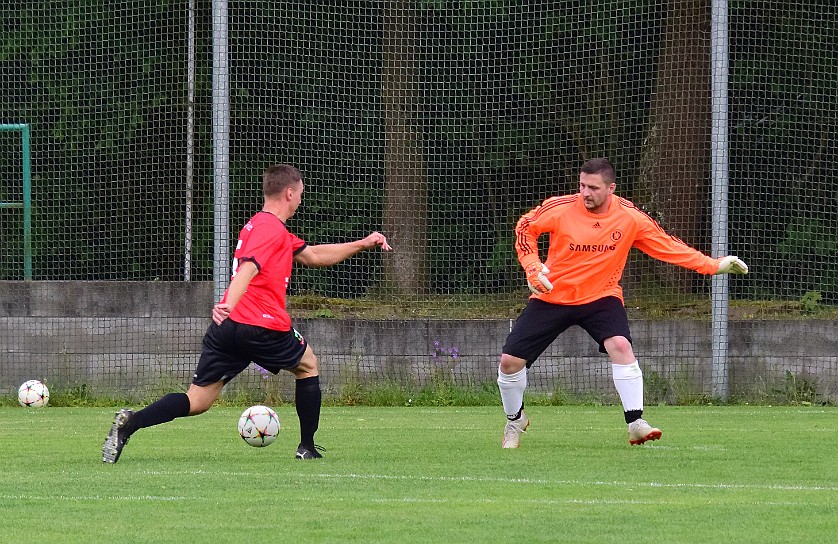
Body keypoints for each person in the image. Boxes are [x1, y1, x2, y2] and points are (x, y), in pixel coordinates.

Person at [103, 163, 392, 463]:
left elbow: (315, 255)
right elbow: (249, 268)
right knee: (308, 364)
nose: (301, 200)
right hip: (261, 324)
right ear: (289, 193)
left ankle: (130, 424)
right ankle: (306, 446)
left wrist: (364, 243)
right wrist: (228, 300)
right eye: (300, 194)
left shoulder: (262, 226)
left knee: (198, 400)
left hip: (228, 328)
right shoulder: (269, 229)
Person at [498, 157, 748, 449]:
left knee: (621, 345)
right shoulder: (561, 208)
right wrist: (531, 265)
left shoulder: (630, 217)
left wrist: (714, 265)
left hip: (601, 296)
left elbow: (667, 246)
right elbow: (525, 227)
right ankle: (515, 421)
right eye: (582, 185)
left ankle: (636, 423)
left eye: (593, 187)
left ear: (611, 188)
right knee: (509, 362)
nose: (585, 193)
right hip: (552, 295)